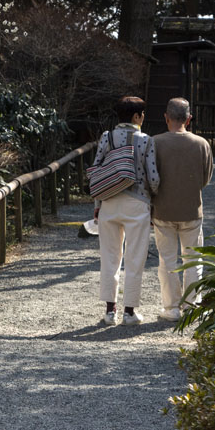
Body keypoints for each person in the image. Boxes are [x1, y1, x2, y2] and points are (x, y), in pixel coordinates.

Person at [94, 95, 159, 326]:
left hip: (109, 203)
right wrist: (154, 200)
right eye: (142, 114)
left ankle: (109, 312)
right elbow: (153, 177)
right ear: (136, 116)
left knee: (110, 259)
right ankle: (130, 313)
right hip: (137, 204)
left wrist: (98, 205)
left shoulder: (106, 137)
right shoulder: (146, 140)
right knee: (134, 259)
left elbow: (98, 170)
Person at [151, 97, 214, 321]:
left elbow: (151, 178)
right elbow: (205, 179)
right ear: (189, 119)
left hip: (162, 209)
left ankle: (171, 308)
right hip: (191, 209)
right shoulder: (201, 144)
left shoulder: (155, 142)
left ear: (166, 117)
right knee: (193, 259)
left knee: (166, 260)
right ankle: (191, 304)